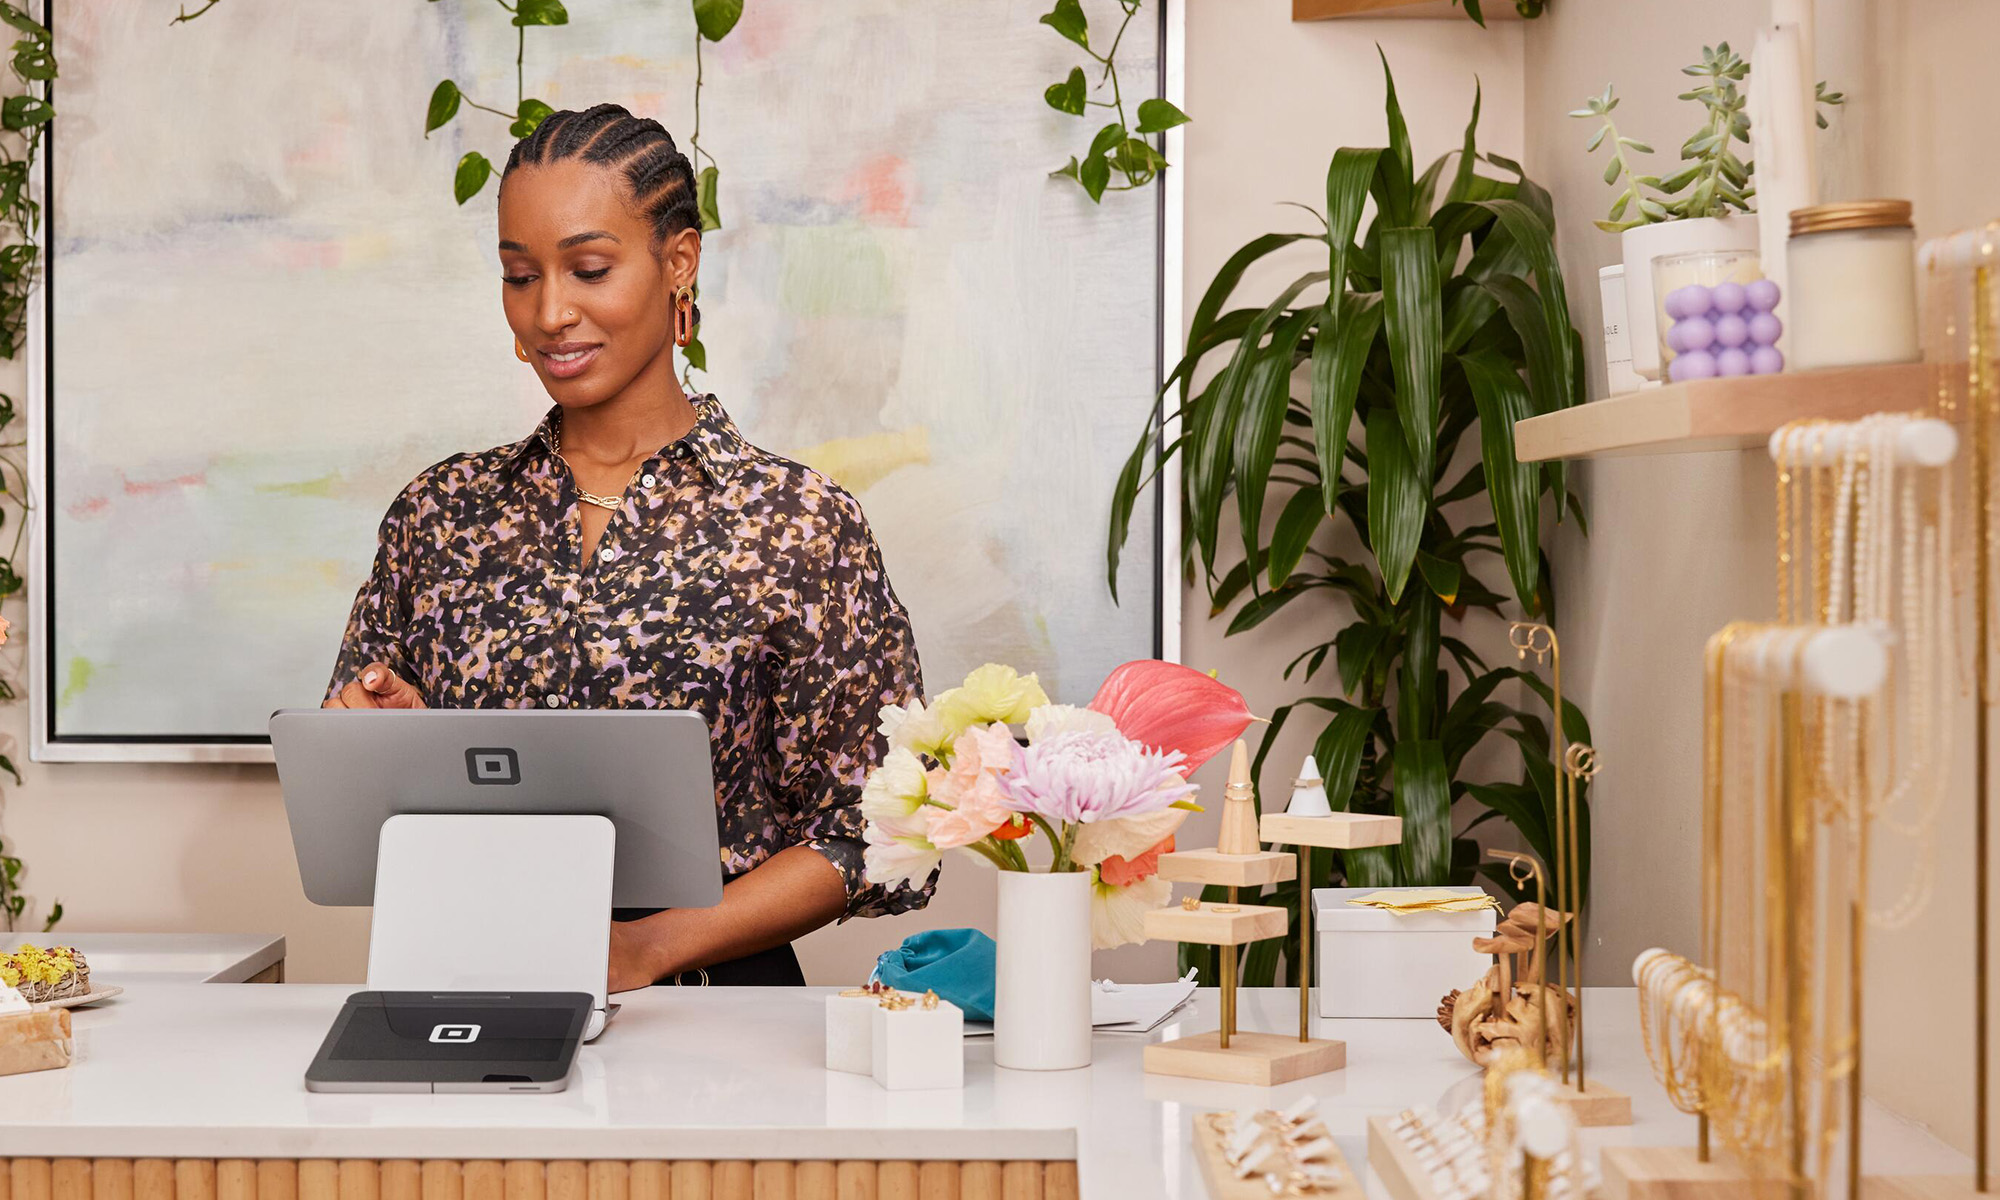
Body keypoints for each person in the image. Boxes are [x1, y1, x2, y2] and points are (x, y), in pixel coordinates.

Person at [323, 103, 932, 988]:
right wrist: (387, 747)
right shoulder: (440, 515)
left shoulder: (798, 525)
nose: (550, 312)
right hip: (465, 982)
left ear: (678, 261)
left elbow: (877, 831)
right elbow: (354, 799)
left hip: (721, 1023)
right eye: (520, 276)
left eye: (590, 268)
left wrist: (648, 947)